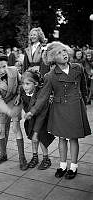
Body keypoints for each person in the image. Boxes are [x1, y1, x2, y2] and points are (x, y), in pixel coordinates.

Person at [25, 41, 91, 179]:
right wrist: (33, 111)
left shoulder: (78, 68)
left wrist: (83, 103)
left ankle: (73, 167)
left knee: (73, 138)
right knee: (62, 138)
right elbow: (43, 96)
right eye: (59, 53)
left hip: (75, 108)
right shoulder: (50, 75)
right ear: (53, 58)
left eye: (64, 51)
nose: (64, 54)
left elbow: (84, 88)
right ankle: (62, 166)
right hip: (59, 108)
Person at [0, 52, 28, 171]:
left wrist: (20, 94)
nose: (2, 70)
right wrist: (9, 112)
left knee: (16, 128)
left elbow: (21, 83)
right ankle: (3, 155)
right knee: (0, 130)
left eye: (4, 66)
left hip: (15, 100)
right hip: (1, 104)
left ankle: (22, 158)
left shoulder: (14, 70)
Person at [21, 70, 55, 170]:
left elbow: (41, 115)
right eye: (23, 83)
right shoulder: (24, 92)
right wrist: (19, 97)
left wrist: (36, 132)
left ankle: (46, 159)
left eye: (27, 84)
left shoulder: (41, 96)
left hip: (42, 119)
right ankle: (35, 157)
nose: (25, 86)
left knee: (40, 138)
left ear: (35, 84)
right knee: (33, 138)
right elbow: (20, 90)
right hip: (31, 118)